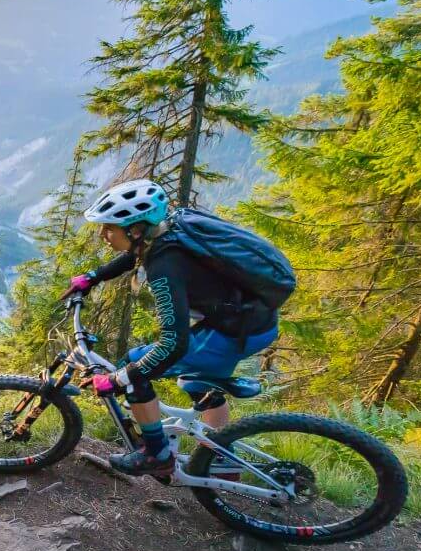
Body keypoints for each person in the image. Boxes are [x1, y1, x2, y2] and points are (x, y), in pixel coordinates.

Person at [66, 179, 279, 476]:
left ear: (135, 230)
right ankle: (222, 458)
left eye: (110, 228)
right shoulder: (169, 229)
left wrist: (118, 379)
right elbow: (136, 254)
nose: (104, 234)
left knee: (133, 368)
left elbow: (172, 344)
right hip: (253, 321)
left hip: (234, 332)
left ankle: (156, 454)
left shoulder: (165, 268)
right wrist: (94, 276)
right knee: (196, 383)